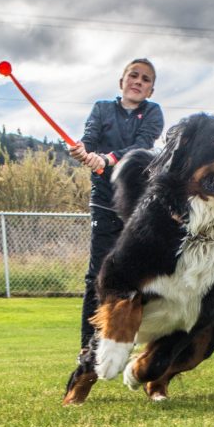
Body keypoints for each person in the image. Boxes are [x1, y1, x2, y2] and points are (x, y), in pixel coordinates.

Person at [67, 58, 164, 356]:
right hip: (105, 206)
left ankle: (141, 344)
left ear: (150, 89)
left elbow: (141, 147)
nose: (138, 81)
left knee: (145, 279)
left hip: (139, 209)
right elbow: (89, 138)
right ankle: (88, 349)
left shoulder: (153, 113)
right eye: (133, 75)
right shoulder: (101, 109)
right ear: (121, 81)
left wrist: (107, 158)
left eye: (145, 79)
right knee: (97, 277)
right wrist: (82, 151)